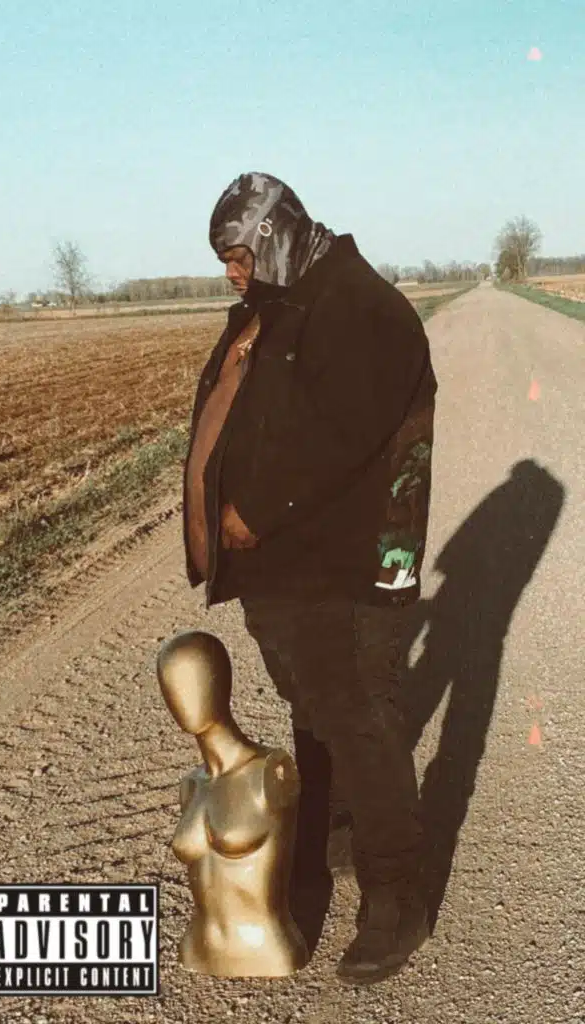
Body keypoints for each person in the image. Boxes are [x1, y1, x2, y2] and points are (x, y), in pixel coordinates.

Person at [182, 171, 437, 985]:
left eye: (238, 257)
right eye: (226, 262)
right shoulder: (289, 299)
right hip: (288, 563)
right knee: (316, 712)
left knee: (358, 718)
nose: (232, 275)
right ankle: (334, 843)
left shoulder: (359, 306)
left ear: (276, 234)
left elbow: (340, 433)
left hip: (345, 565)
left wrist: (254, 510)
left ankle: (395, 895)